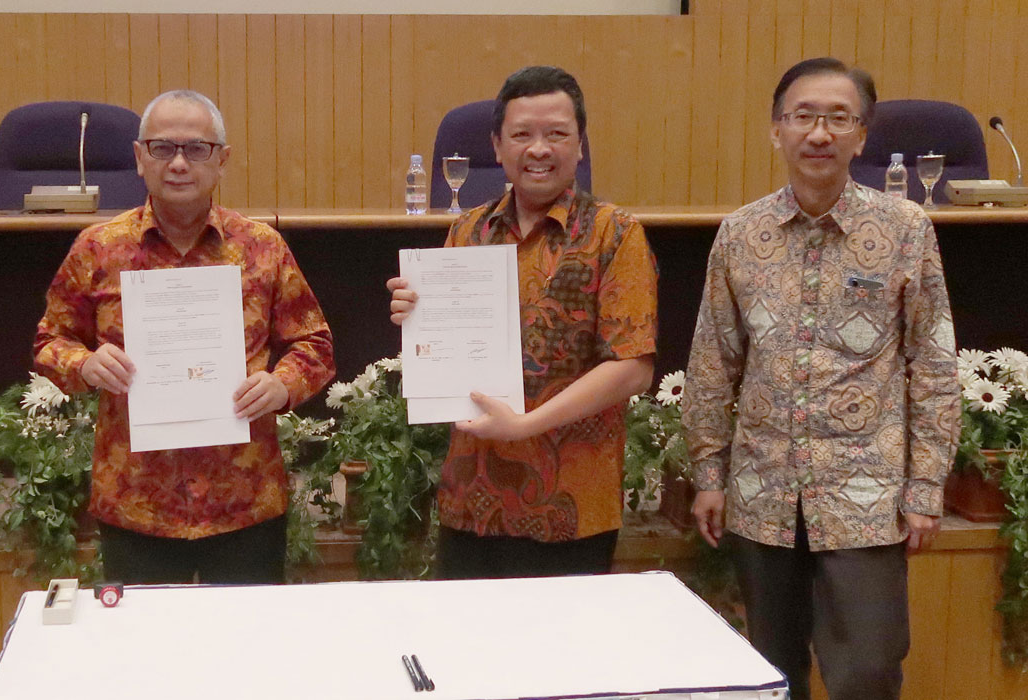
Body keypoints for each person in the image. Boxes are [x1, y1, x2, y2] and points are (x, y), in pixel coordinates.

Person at [683, 57, 960, 700]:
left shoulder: (904, 230)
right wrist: (708, 474)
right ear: (776, 129)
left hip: (865, 495)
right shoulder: (740, 234)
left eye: (839, 118)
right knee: (771, 673)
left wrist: (925, 486)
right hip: (762, 489)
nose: (820, 133)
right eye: (803, 116)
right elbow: (710, 364)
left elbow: (935, 364)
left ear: (862, 136)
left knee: (867, 670)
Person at [34, 90, 334, 585]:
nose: (178, 164)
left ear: (222, 160)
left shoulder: (263, 248)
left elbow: (315, 345)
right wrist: (83, 365)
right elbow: (50, 341)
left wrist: (283, 384)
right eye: (161, 148)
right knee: (145, 658)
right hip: (137, 503)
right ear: (138, 158)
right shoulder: (97, 249)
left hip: (244, 502)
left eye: (196, 149)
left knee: (244, 655)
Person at [388, 66, 658, 579]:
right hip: (472, 501)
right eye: (522, 135)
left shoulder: (615, 234)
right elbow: (445, 348)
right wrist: (414, 315)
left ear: (580, 146)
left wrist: (525, 427)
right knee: (466, 651)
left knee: (560, 656)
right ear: (497, 145)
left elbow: (633, 367)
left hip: (570, 509)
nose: (539, 148)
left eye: (557, 134)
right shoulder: (467, 230)